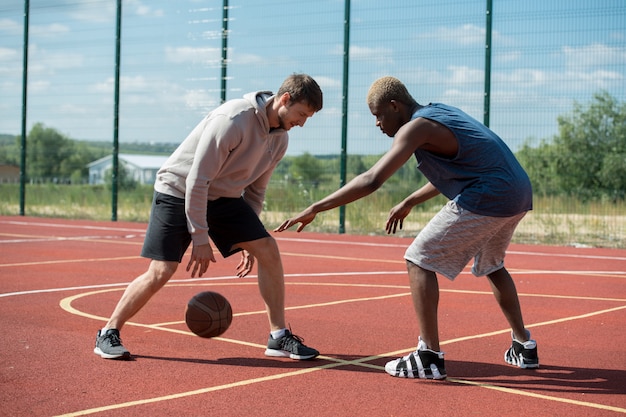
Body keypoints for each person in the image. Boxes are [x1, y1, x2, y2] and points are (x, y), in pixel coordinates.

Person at [275, 76, 539, 379]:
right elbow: (468, 167)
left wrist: (316, 207)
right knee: (493, 265)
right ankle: (523, 346)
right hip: (517, 192)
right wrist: (411, 200)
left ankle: (428, 356)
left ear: (394, 105)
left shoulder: (417, 126)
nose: (377, 124)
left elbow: (372, 179)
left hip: (490, 193)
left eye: (378, 115)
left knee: (419, 258)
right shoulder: (439, 113)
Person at [94, 73, 323, 361]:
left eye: (307, 118)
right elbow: (197, 179)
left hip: (222, 196)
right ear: (285, 99)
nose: (301, 123)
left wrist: (248, 240)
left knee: (267, 249)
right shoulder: (233, 120)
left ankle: (278, 337)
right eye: (301, 114)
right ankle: (108, 332)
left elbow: (255, 191)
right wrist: (199, 236)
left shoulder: (280, 140)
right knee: (162, 270)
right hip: (179, 189)